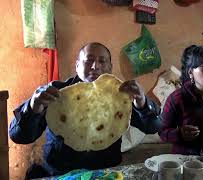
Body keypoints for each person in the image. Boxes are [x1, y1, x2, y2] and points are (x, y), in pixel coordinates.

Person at [9, 42, 161, 178]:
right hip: (60, 173)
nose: (95, 66)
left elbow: (153, 127)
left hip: (105, 173)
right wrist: (32, 108)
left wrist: (142, 103)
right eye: (89, 60)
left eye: (102, 61)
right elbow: (19, 136)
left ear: (109, 68)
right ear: (77, 65)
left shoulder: (120, 94)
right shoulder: (55, 92)